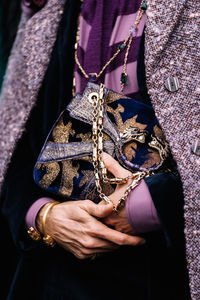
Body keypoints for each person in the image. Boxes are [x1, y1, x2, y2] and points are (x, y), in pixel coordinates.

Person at [0, 0, 199, 299]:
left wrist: (146, 205)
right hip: (57, 276)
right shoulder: (54, 9)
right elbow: (12, 143)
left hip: (164, 273)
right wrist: (44, 217)